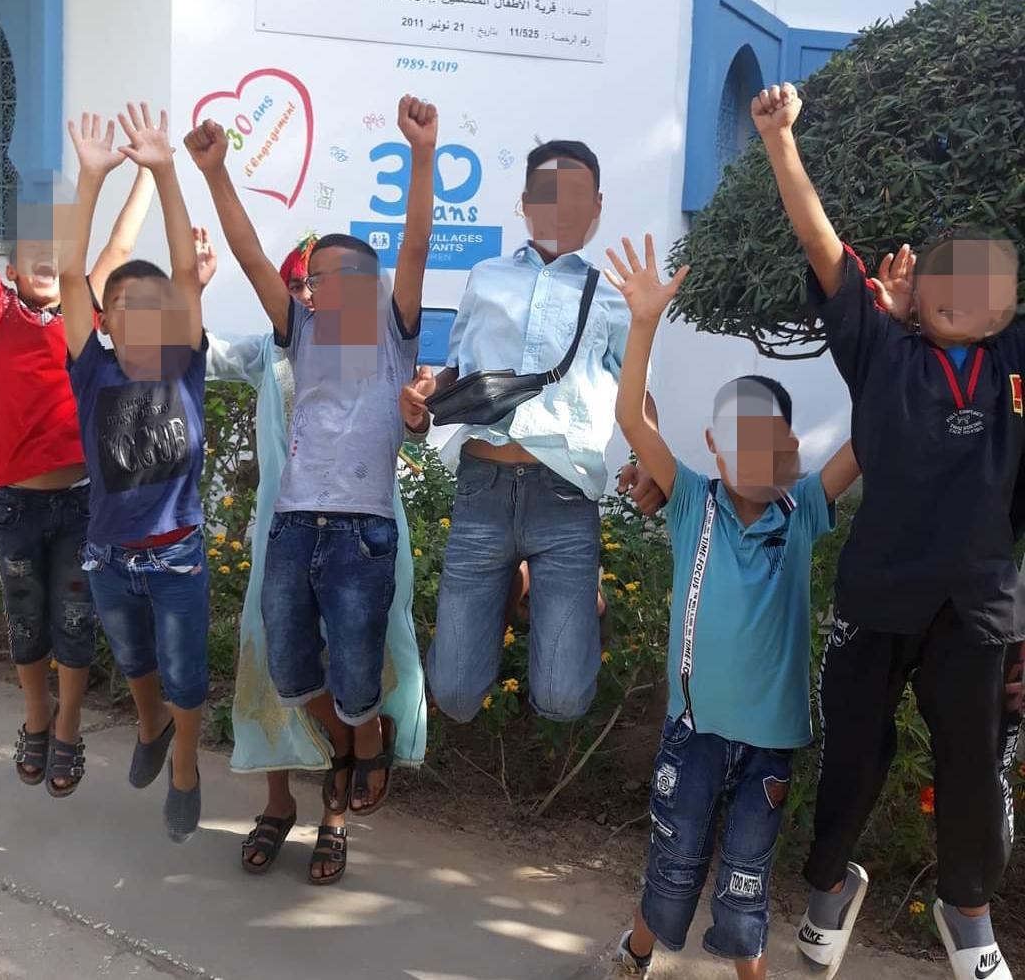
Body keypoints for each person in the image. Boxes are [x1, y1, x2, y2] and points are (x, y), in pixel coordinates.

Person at [753, 82, 1023, 980]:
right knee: (851, 754)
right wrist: (781, 141)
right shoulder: (880, 350)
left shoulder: (1014, 364)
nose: (956, 290)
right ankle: (830, 886)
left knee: (973, 767)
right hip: (876, 597)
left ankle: (968, 912)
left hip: (978, 608)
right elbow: (821, 245)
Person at [185, 94, 435, 884]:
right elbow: (252, 255)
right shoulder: (300, 334)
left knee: (359, 672)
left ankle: (365, 741)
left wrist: (422, 153)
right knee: (292, 673)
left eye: (326, 275)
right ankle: (356, 744)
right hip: (293, 528)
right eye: (312, 278)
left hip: (363, 533)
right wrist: (216, 172)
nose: (312, 285)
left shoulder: (391, 336)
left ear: (365, 284)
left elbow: (417, 243)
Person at [604, 234, 858, 980]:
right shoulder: (691, 501)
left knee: (746, 880)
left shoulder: (805, 508)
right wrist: (645, 322)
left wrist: (892, 335)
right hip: (695, 733)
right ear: (716, 446)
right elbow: (633, 420)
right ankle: (635, 954)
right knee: (674, 861)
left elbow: (870, 436)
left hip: (769, 745)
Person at [403, 140, 664, 725]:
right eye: (548, 194)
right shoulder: (485, 277)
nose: (561, 207)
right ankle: (516, 583)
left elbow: (640, 392)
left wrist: (651, 459)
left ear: (597, 206)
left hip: (564, 498)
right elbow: (460, 372)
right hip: (482, 490)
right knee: (455, 696)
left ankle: (573, 597)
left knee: (563, 701)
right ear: (524, 201)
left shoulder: (614, 296)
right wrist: (425, 396)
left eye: (576, 195)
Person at [0, 85, 153, 797]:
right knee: (26, 624)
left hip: (79, 504)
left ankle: (66, 727)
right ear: (10, 270)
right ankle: (36, 718)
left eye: (55, 249)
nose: (44, 256)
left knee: (74, 621)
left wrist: (148, 174)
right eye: (31, 249)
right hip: (15, 504)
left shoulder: (81, 313)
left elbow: (120, 243)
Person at [61, 104, 209, 843]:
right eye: (123, 304)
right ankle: (151, 727)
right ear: (105, 321)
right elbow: (70, 275)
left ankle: (183, 765)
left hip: (176, 550)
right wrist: (91, 179)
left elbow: (183, 271)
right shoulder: (92, 370)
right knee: (133, 660)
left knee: (185, 672)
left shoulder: (184, 362)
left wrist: (166, 170)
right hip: (110, 554)